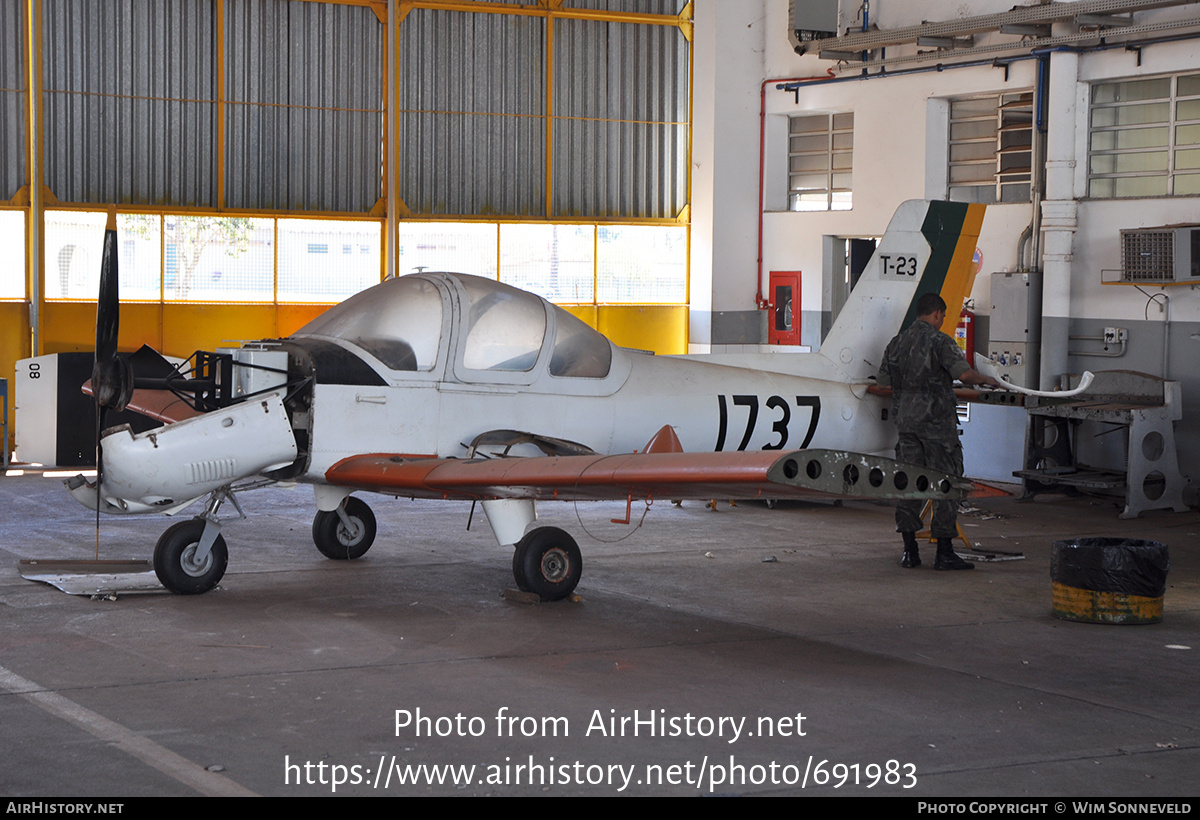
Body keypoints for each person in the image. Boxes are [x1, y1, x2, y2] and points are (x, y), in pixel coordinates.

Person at [876, 293, 1005, 571]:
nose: (943, 320)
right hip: (937, 427)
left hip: (906, 425)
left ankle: (910, 552)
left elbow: (884, 383)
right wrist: (989, 380)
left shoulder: (896, 344)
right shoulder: (941, 342)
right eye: (943, 316)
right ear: (936, 313)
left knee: (908, 484)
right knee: (946, 484)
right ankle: (944, 553)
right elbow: (965, 375)